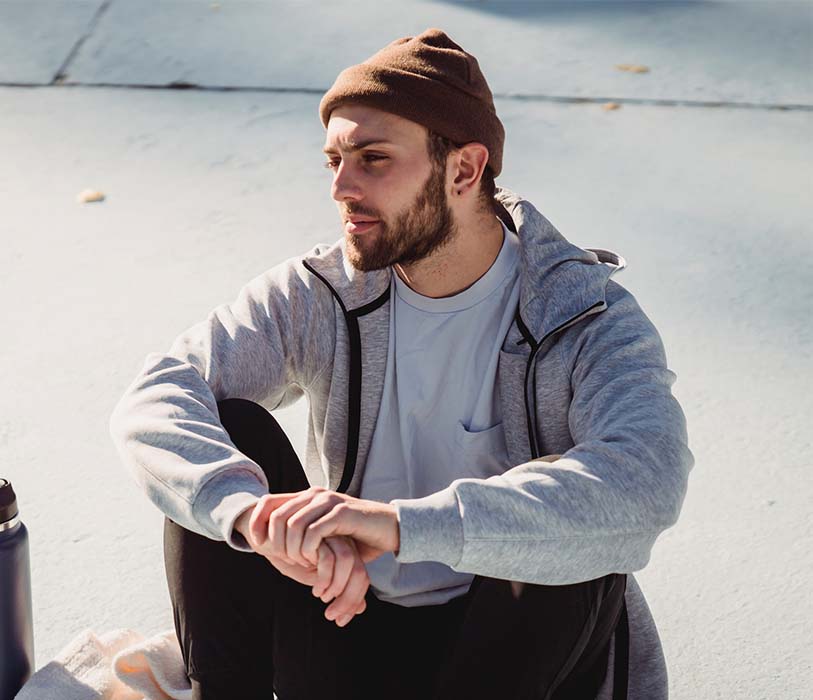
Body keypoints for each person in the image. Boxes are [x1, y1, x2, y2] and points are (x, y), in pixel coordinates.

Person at [109, 27, 693, 700]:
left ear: (463, 171)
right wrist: (257, 522)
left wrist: (397, 526)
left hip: (509, 652)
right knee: (230, 430)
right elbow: (156, 396)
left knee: (567, 525)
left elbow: (645, 482)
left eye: (372, 159)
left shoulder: (585, 316)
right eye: (333, 160)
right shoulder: (317, 292)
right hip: (344, 615)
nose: (340, 187)